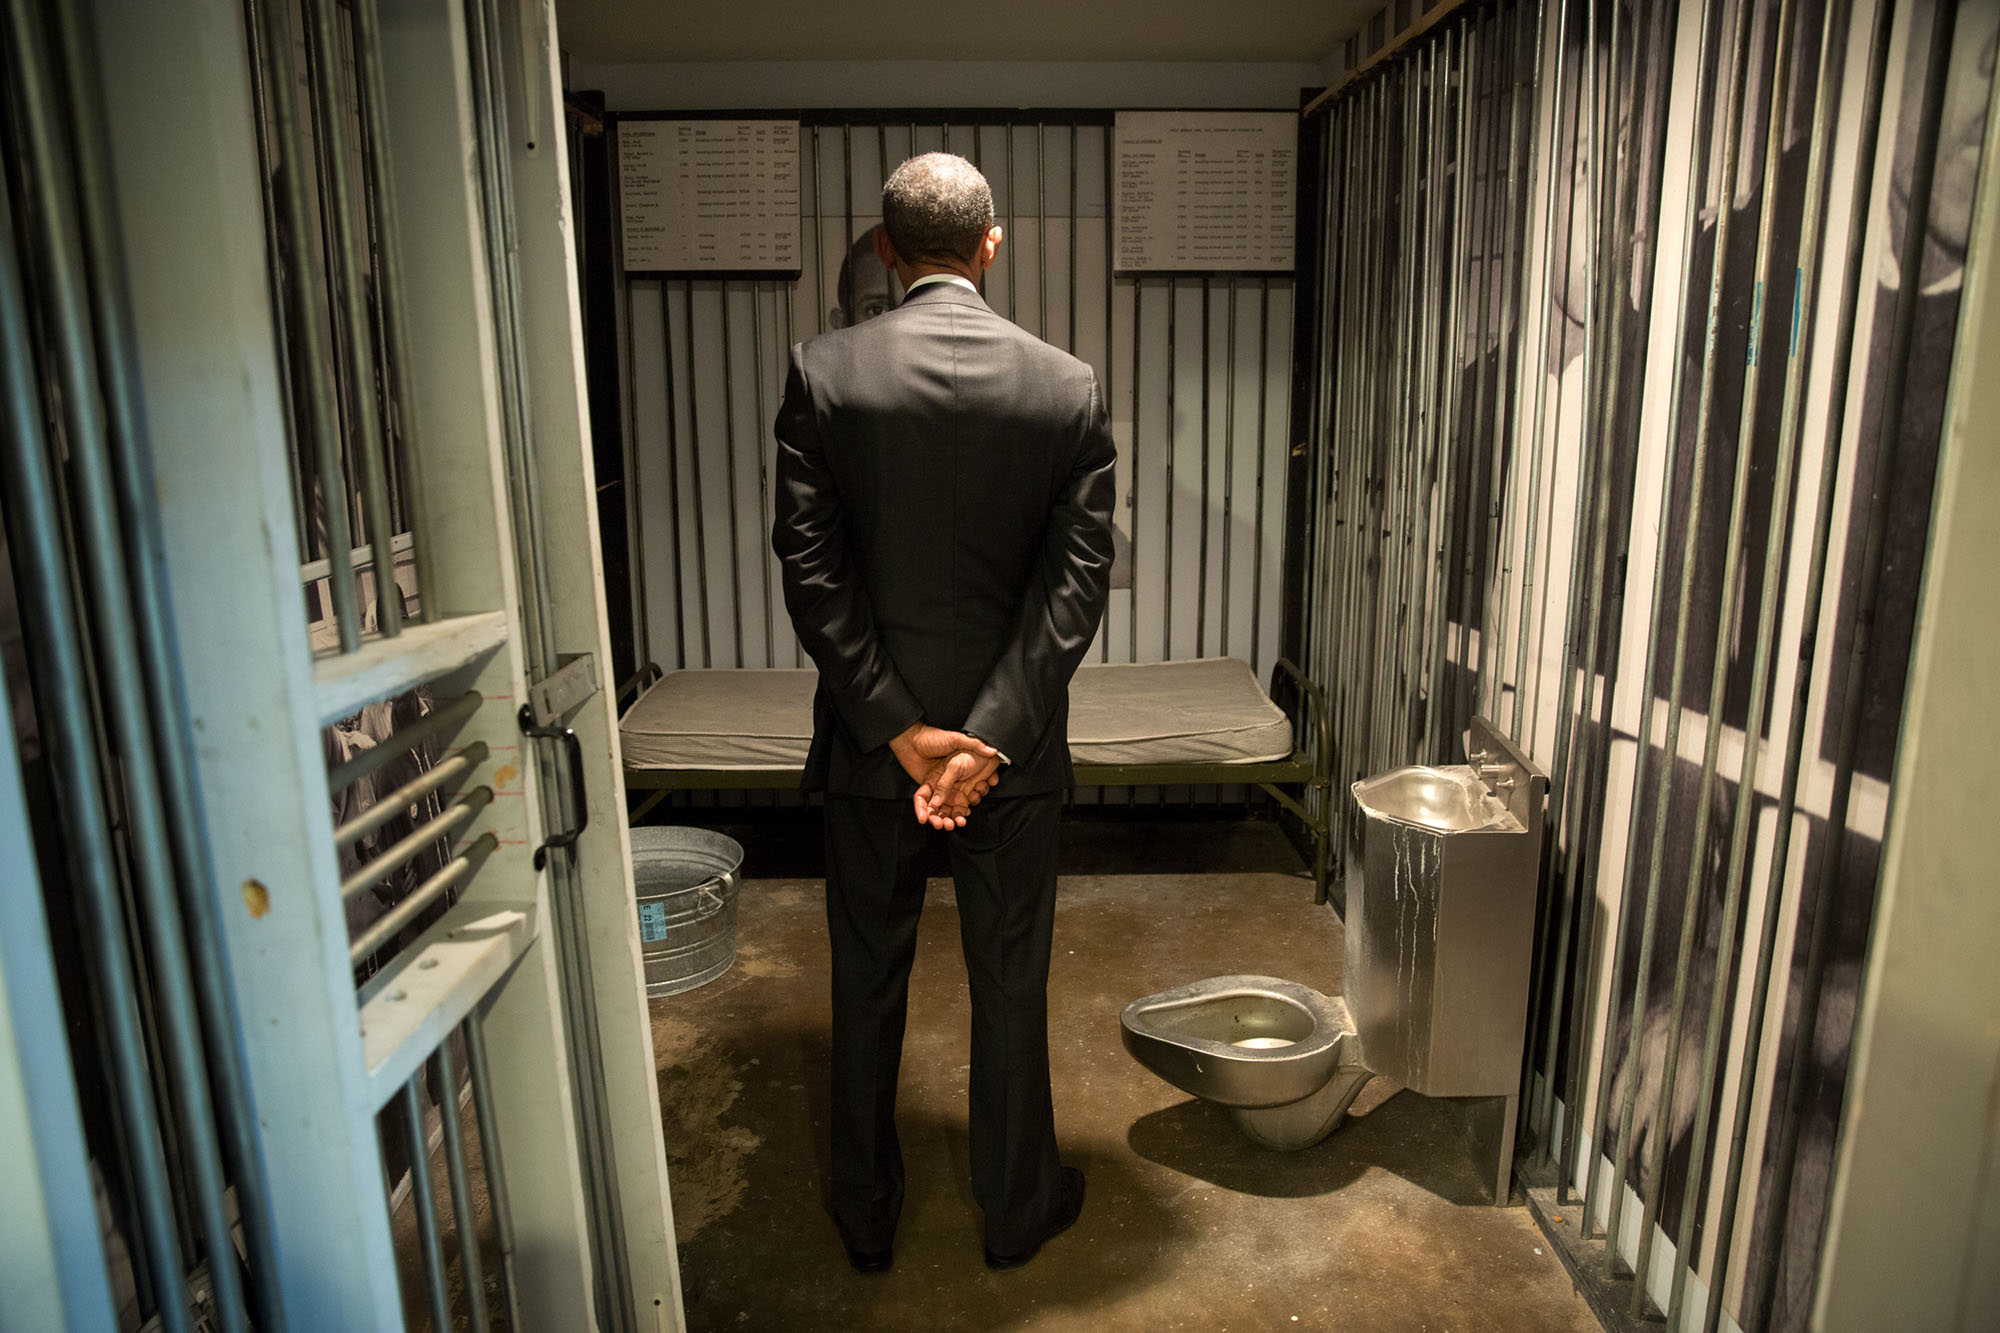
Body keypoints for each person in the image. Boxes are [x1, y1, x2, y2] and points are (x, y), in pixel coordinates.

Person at [771, 152, 1115, 1275]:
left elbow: (812, 573)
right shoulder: (1066, 386)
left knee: (864, 985)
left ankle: (863, 1219)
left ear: (882, 249)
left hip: (875, 760)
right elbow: (1075, 587)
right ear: (989, 245)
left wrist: (897, 728)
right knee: (1008, 983)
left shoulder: (823, 374)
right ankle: (1016, 1212)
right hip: (1008, 765)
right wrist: (987, 738)